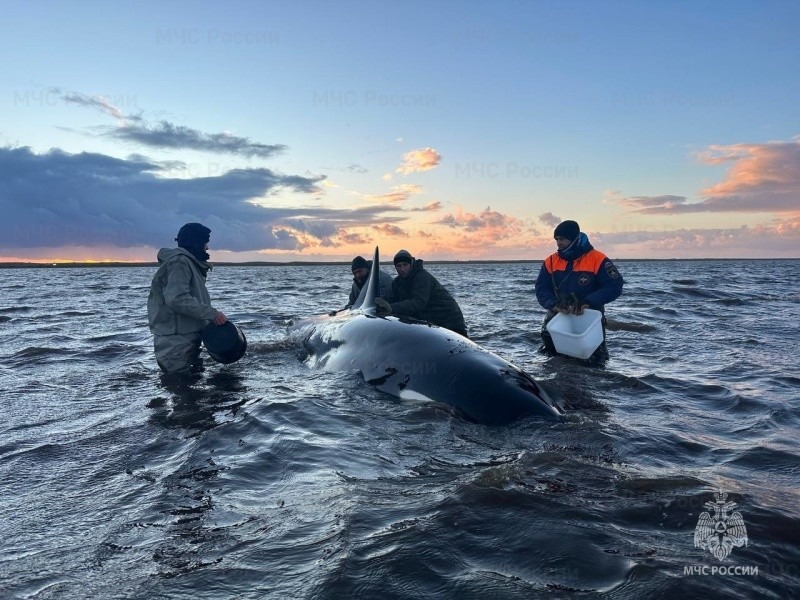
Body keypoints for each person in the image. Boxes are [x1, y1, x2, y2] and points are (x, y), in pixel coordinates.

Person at [535, 220, 623, 362]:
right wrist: (553, 304)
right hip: (558, 315)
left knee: (594, 361)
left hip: (589, 317)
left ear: (574, 237)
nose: (558, 243)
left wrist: (588, 301)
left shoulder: (598, 259)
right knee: (553, 359)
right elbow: (541, 288)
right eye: (556, 239)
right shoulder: (550, 261)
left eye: (562, 239)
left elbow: (614, 285)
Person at [147, 222, 228, 375]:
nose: (207, 248)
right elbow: (176, 299)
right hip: (175, 341)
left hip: (186, 337)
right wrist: (212, 314)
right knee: (179, 386)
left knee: (191, 388)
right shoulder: (179, 262)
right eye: (205, 243)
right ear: (196, 242)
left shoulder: (189, 263)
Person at [375, 249, 469, 338]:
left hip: (450, 320)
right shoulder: (397, 282)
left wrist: (391, 308)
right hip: (430, 322)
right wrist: (381, 304)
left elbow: (418, 302)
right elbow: (394, 299)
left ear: (411, 264)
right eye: (399, 266)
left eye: (405, 265)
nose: (402, 269)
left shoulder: (422, 277)